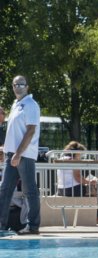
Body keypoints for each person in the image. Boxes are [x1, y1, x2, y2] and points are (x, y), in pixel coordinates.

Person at [0, 76, 41, 235]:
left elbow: (30, 130)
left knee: (29, 190)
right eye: (15, 84)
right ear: (12, 87)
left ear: (27, 87)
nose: (18, 87)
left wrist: (18, 153)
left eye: (21, 84)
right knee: (5, 190)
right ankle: (1, 225)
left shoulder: (31, 105)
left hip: (24, 154)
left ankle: (33, 226)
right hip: (12, 155)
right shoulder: (16, 104)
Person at [57, 141, 98, 225]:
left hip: (61, 190)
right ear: (76, 153)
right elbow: (77, 178)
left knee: (91, 188)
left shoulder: (61, 159)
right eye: (80, 154)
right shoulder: (74, 161)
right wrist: (90, 182)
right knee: (94, 188)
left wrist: (86, 182)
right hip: (72, 190)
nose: (81, 156)